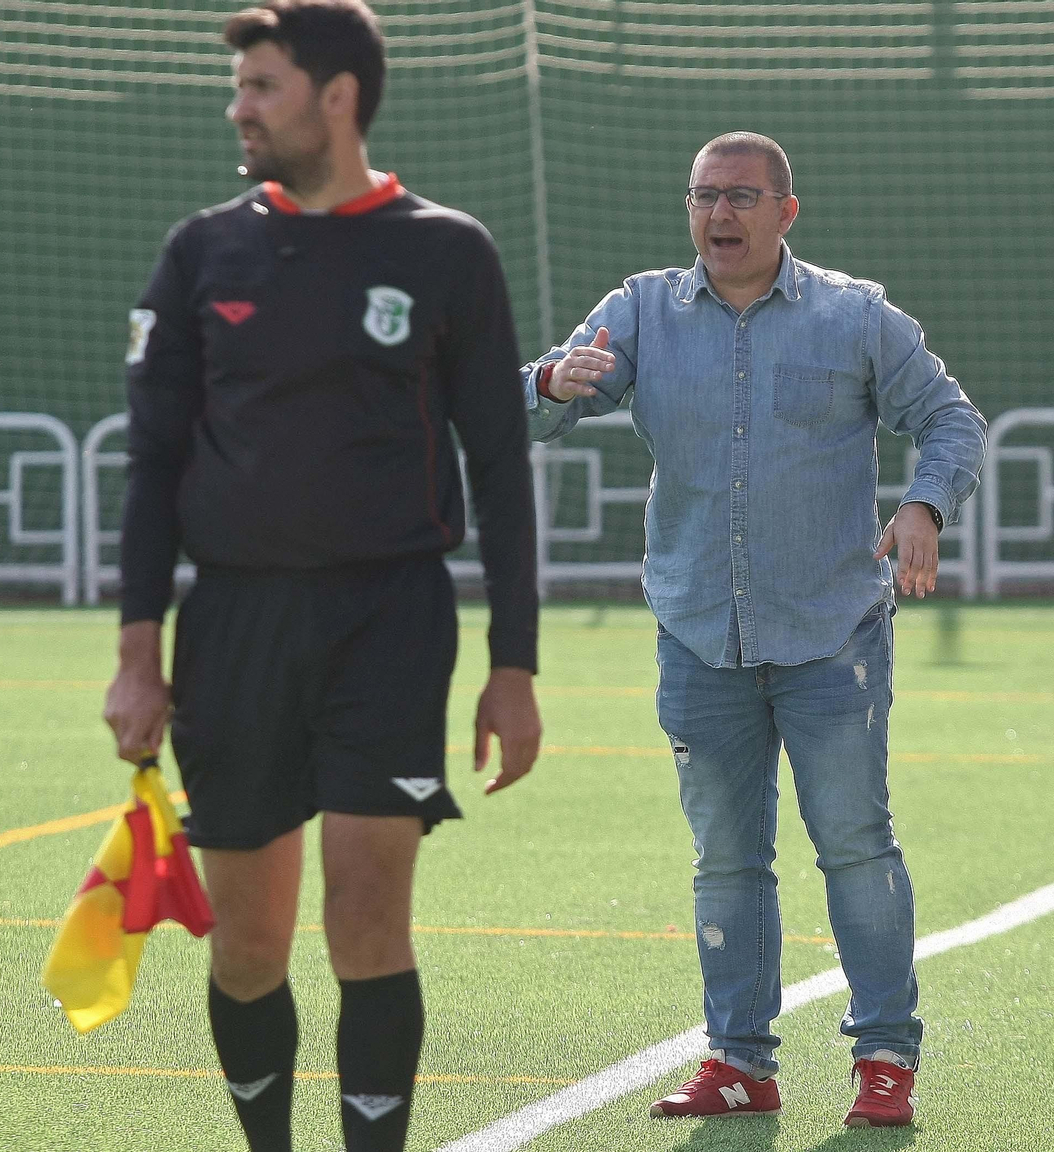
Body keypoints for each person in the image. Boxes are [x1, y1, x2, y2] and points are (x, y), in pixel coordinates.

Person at [102, 3, 543, 1150]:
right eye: (240, 87)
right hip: (234, 622)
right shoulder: (204, 250)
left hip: (389, 618)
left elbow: (498, 467)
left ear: (335, 96)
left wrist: (514, 666)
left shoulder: (446, 250)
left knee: (365, 926)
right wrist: (136, 659)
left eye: (261, 86)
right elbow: (151, 466)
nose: (239, 108)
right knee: (247, 944)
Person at [521, 132, 986, 1129]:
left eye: (740, 196)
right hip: (697, 635)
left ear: (786, 211)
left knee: (855, 846)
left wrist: (924, 508)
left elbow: (949, 417)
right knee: (726, 856)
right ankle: (739, 1062)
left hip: (832, 637)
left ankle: (884, 1061)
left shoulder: (854, 316)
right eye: (702, 197)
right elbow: (545, 397)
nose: (718, 216)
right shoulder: (641, 309)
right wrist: (550, 387)